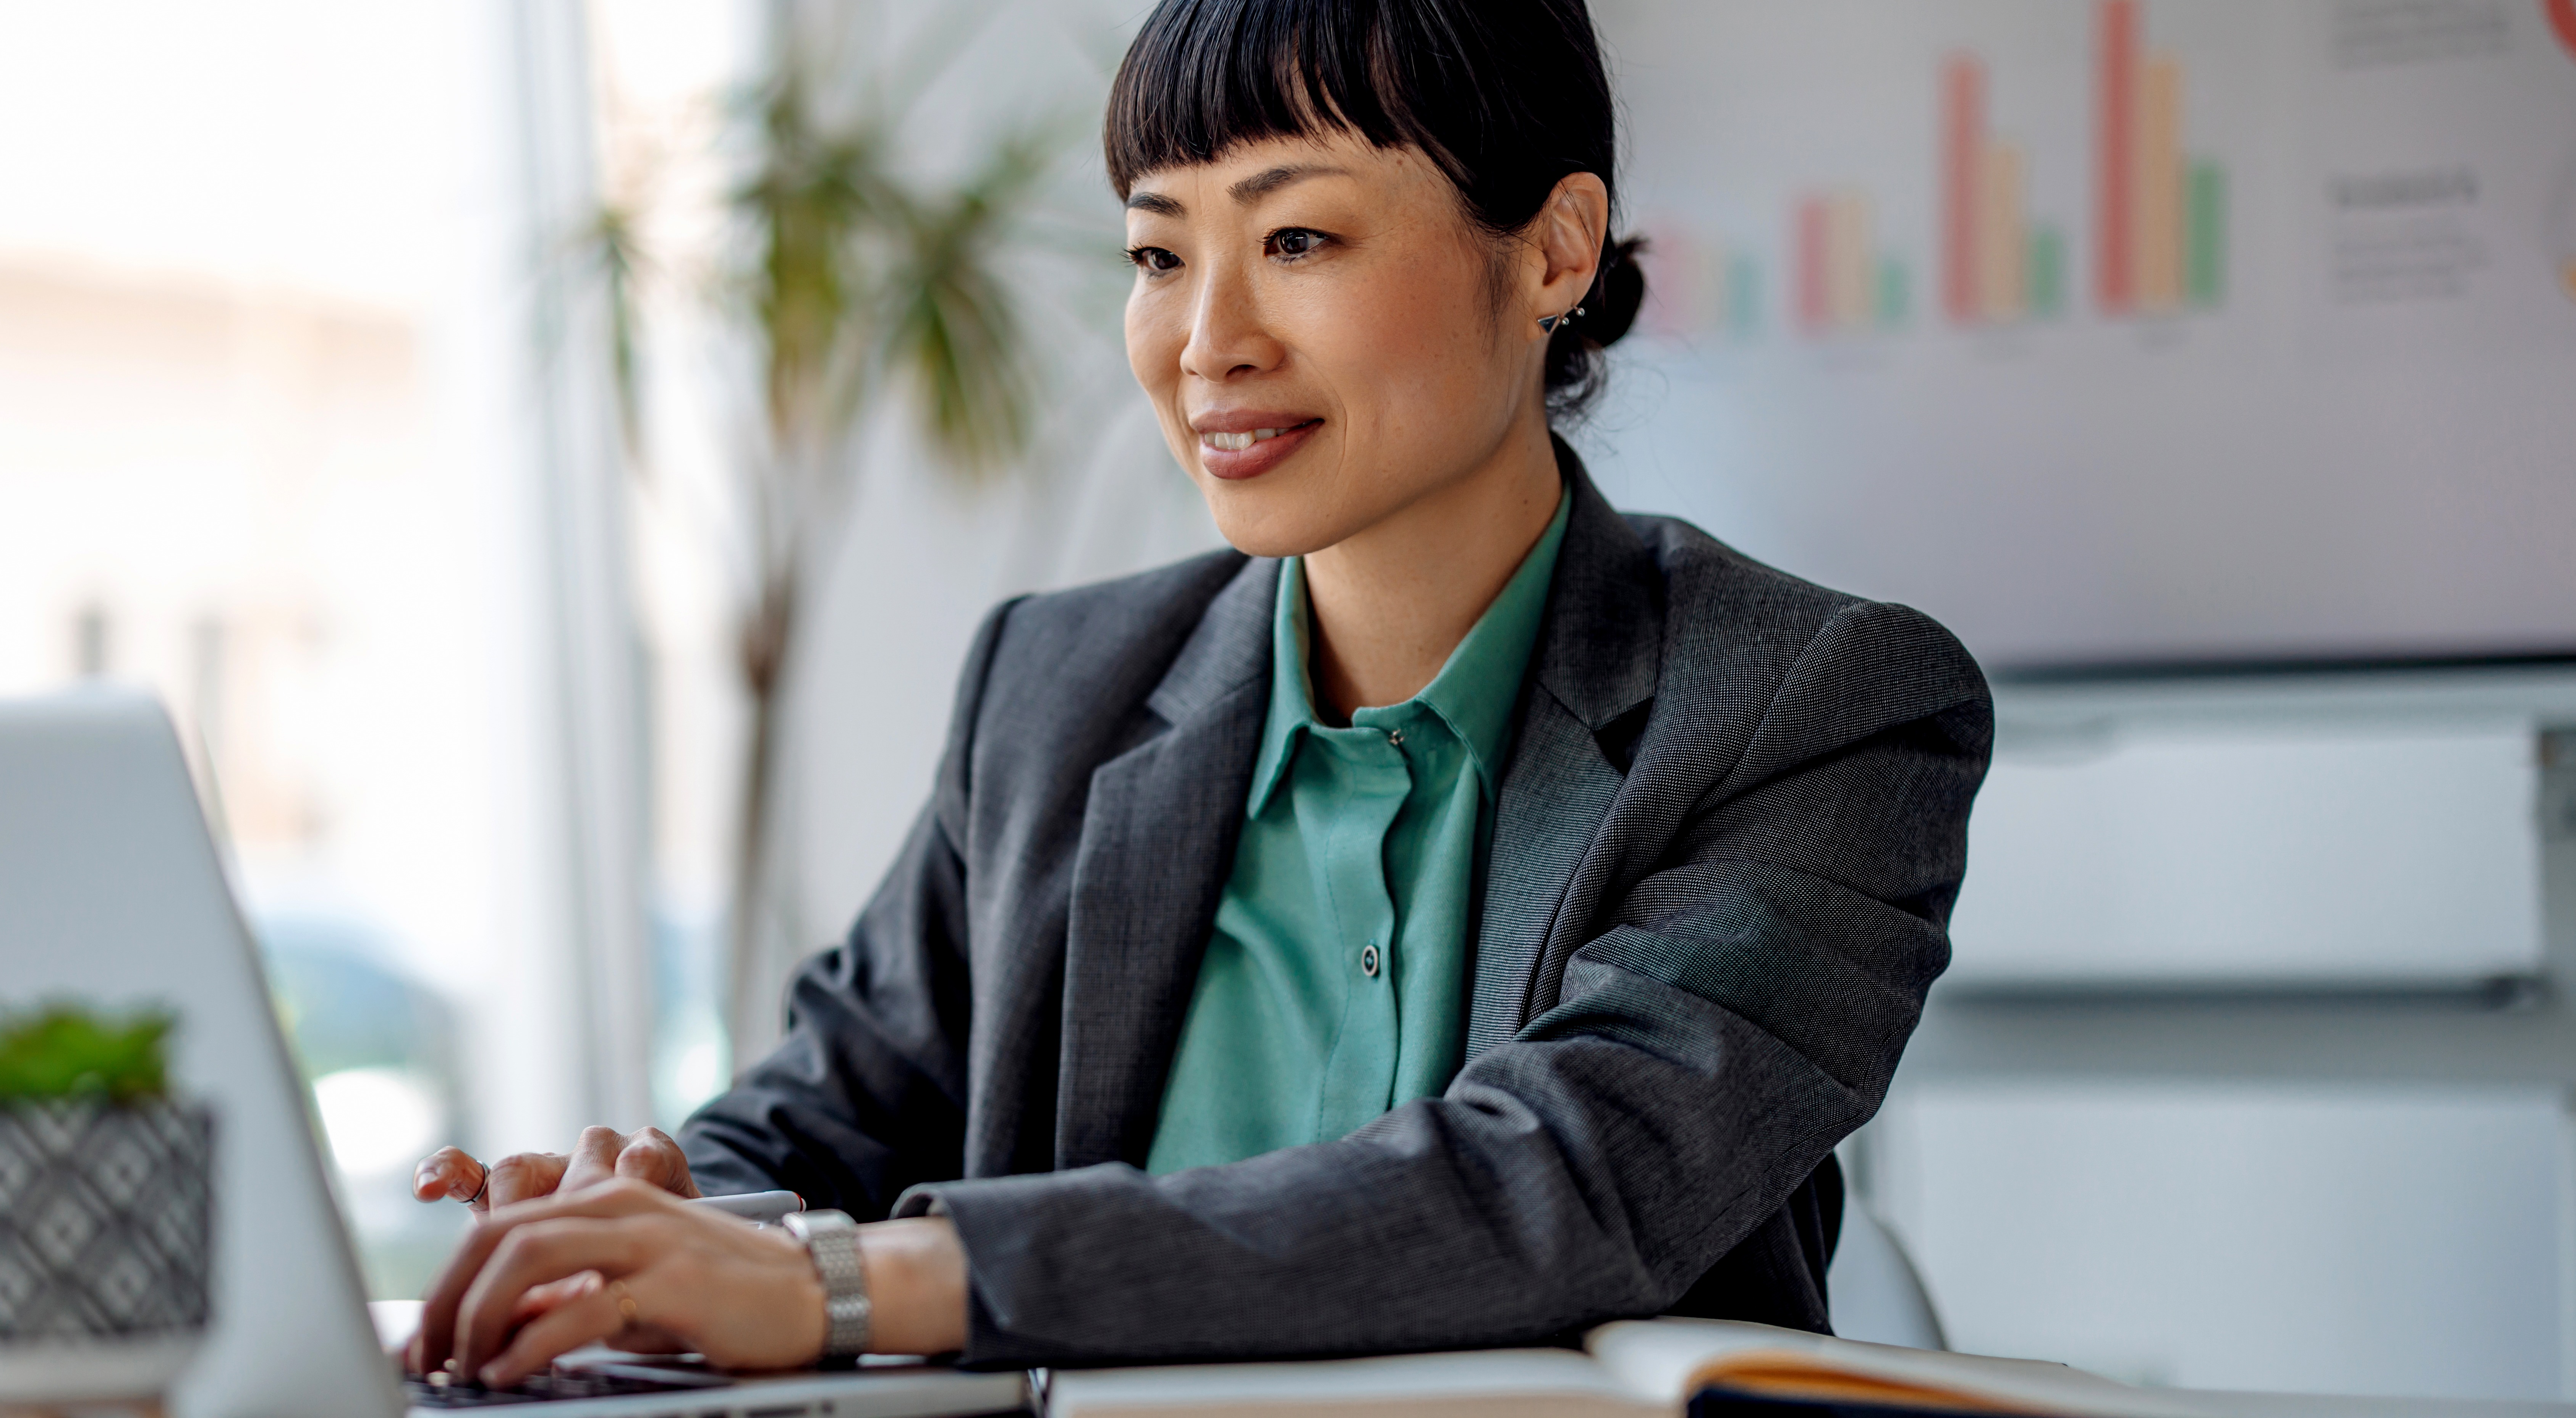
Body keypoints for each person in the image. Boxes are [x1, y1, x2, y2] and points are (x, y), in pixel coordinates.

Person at [403, 0, 1990, 1384]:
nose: (1204, 340)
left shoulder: (1819, 704)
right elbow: (819, 1117)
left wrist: (842, 1283)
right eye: (1159, 254)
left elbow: (1557, 1187)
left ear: (1552, 250)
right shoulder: (1054, 689)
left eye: (1295, 238)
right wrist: (663, 1214)